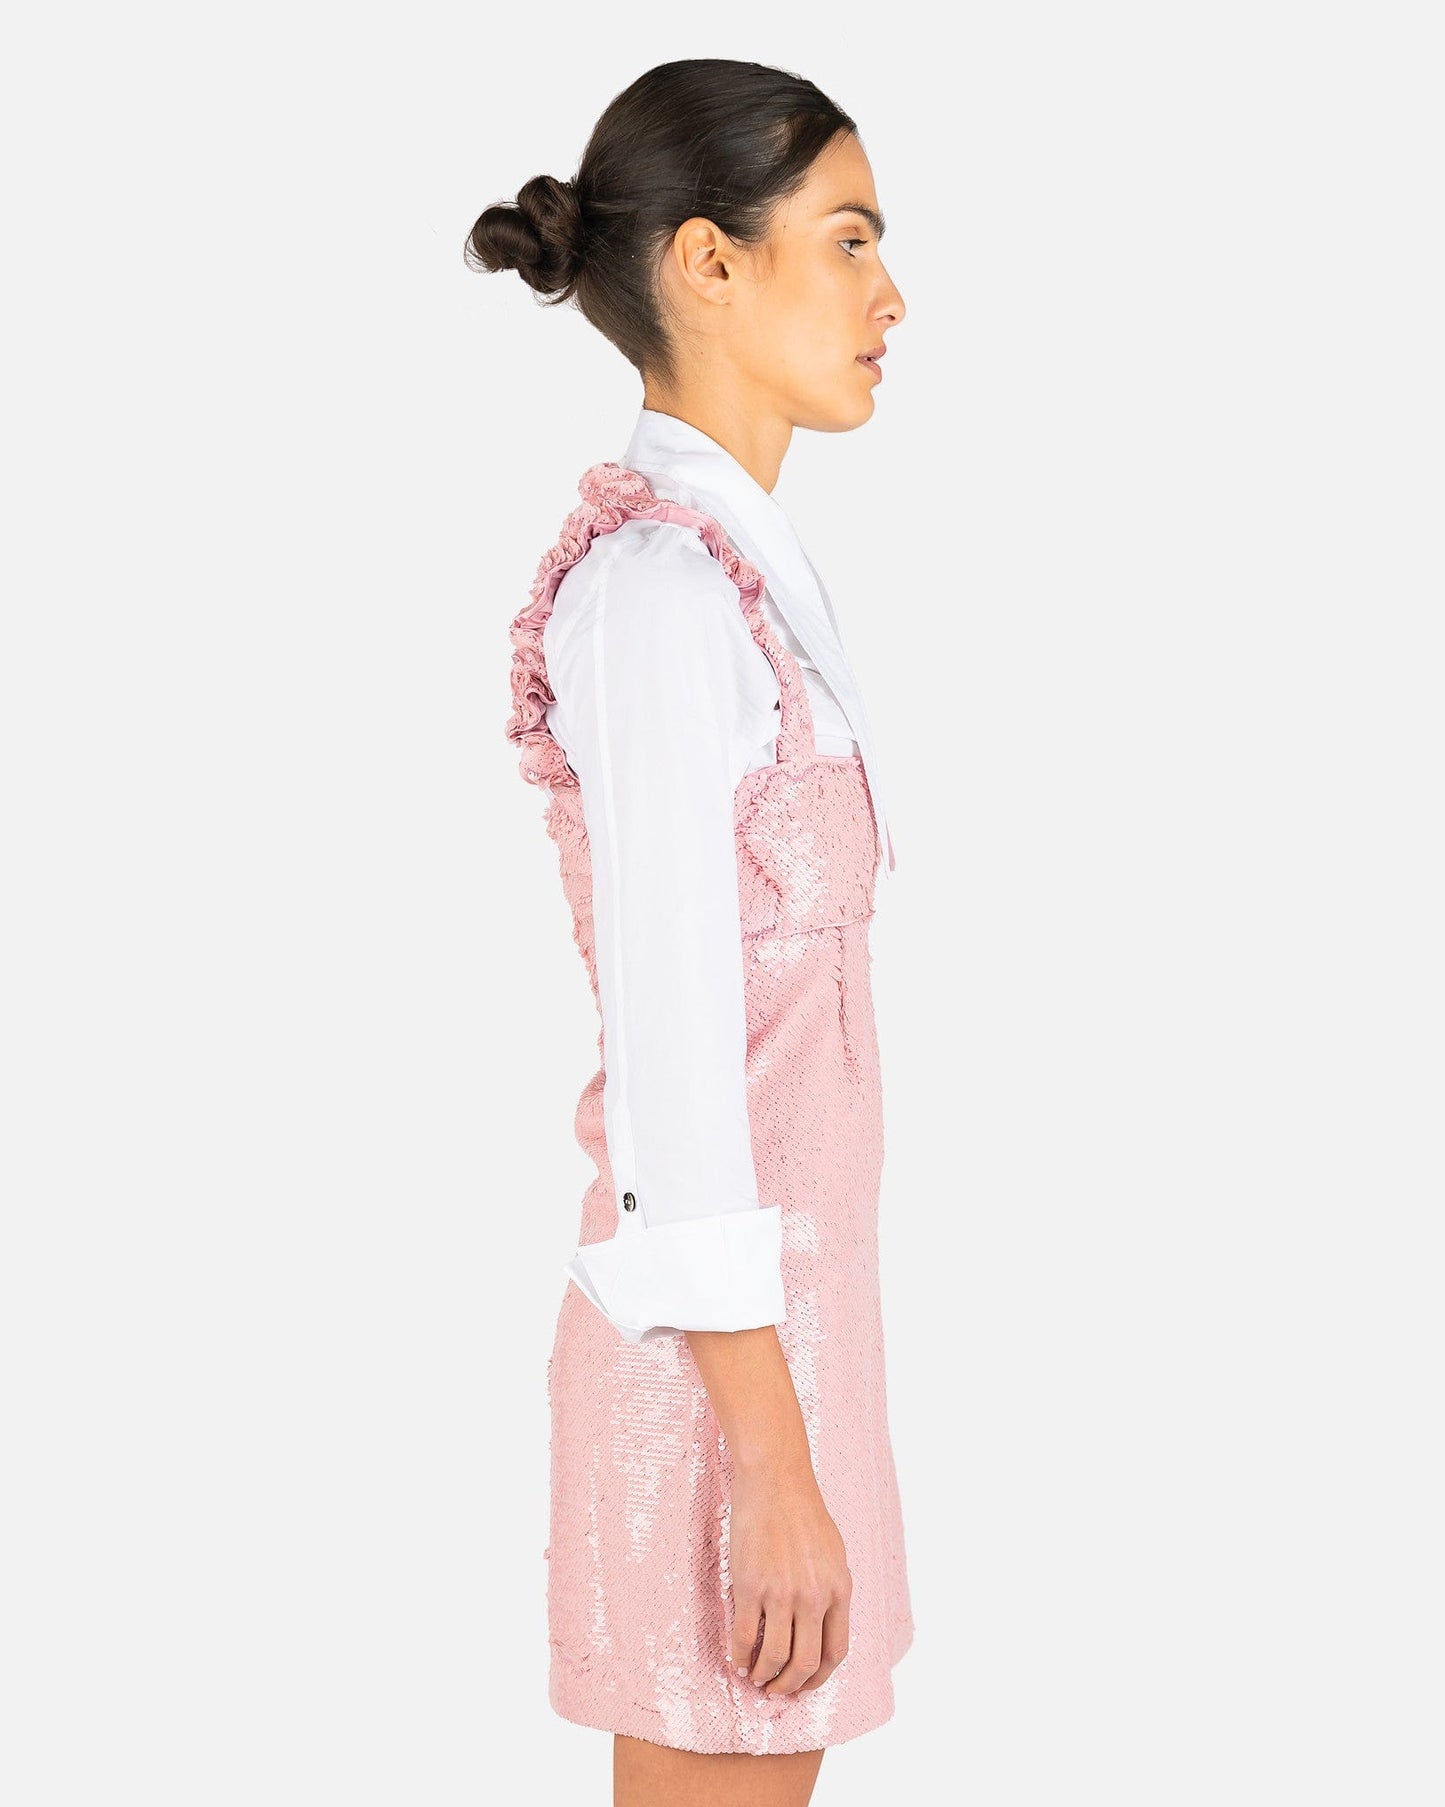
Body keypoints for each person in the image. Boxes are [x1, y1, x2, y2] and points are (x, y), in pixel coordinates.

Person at [467, 58, 912, 1807]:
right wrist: (770, 1458)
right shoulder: (656, 595)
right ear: (711, 264)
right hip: (722, 1383)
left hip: (791, 1357)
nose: (891, 295)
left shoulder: (739, 579)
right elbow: (673, 1065)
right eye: (849, 238)